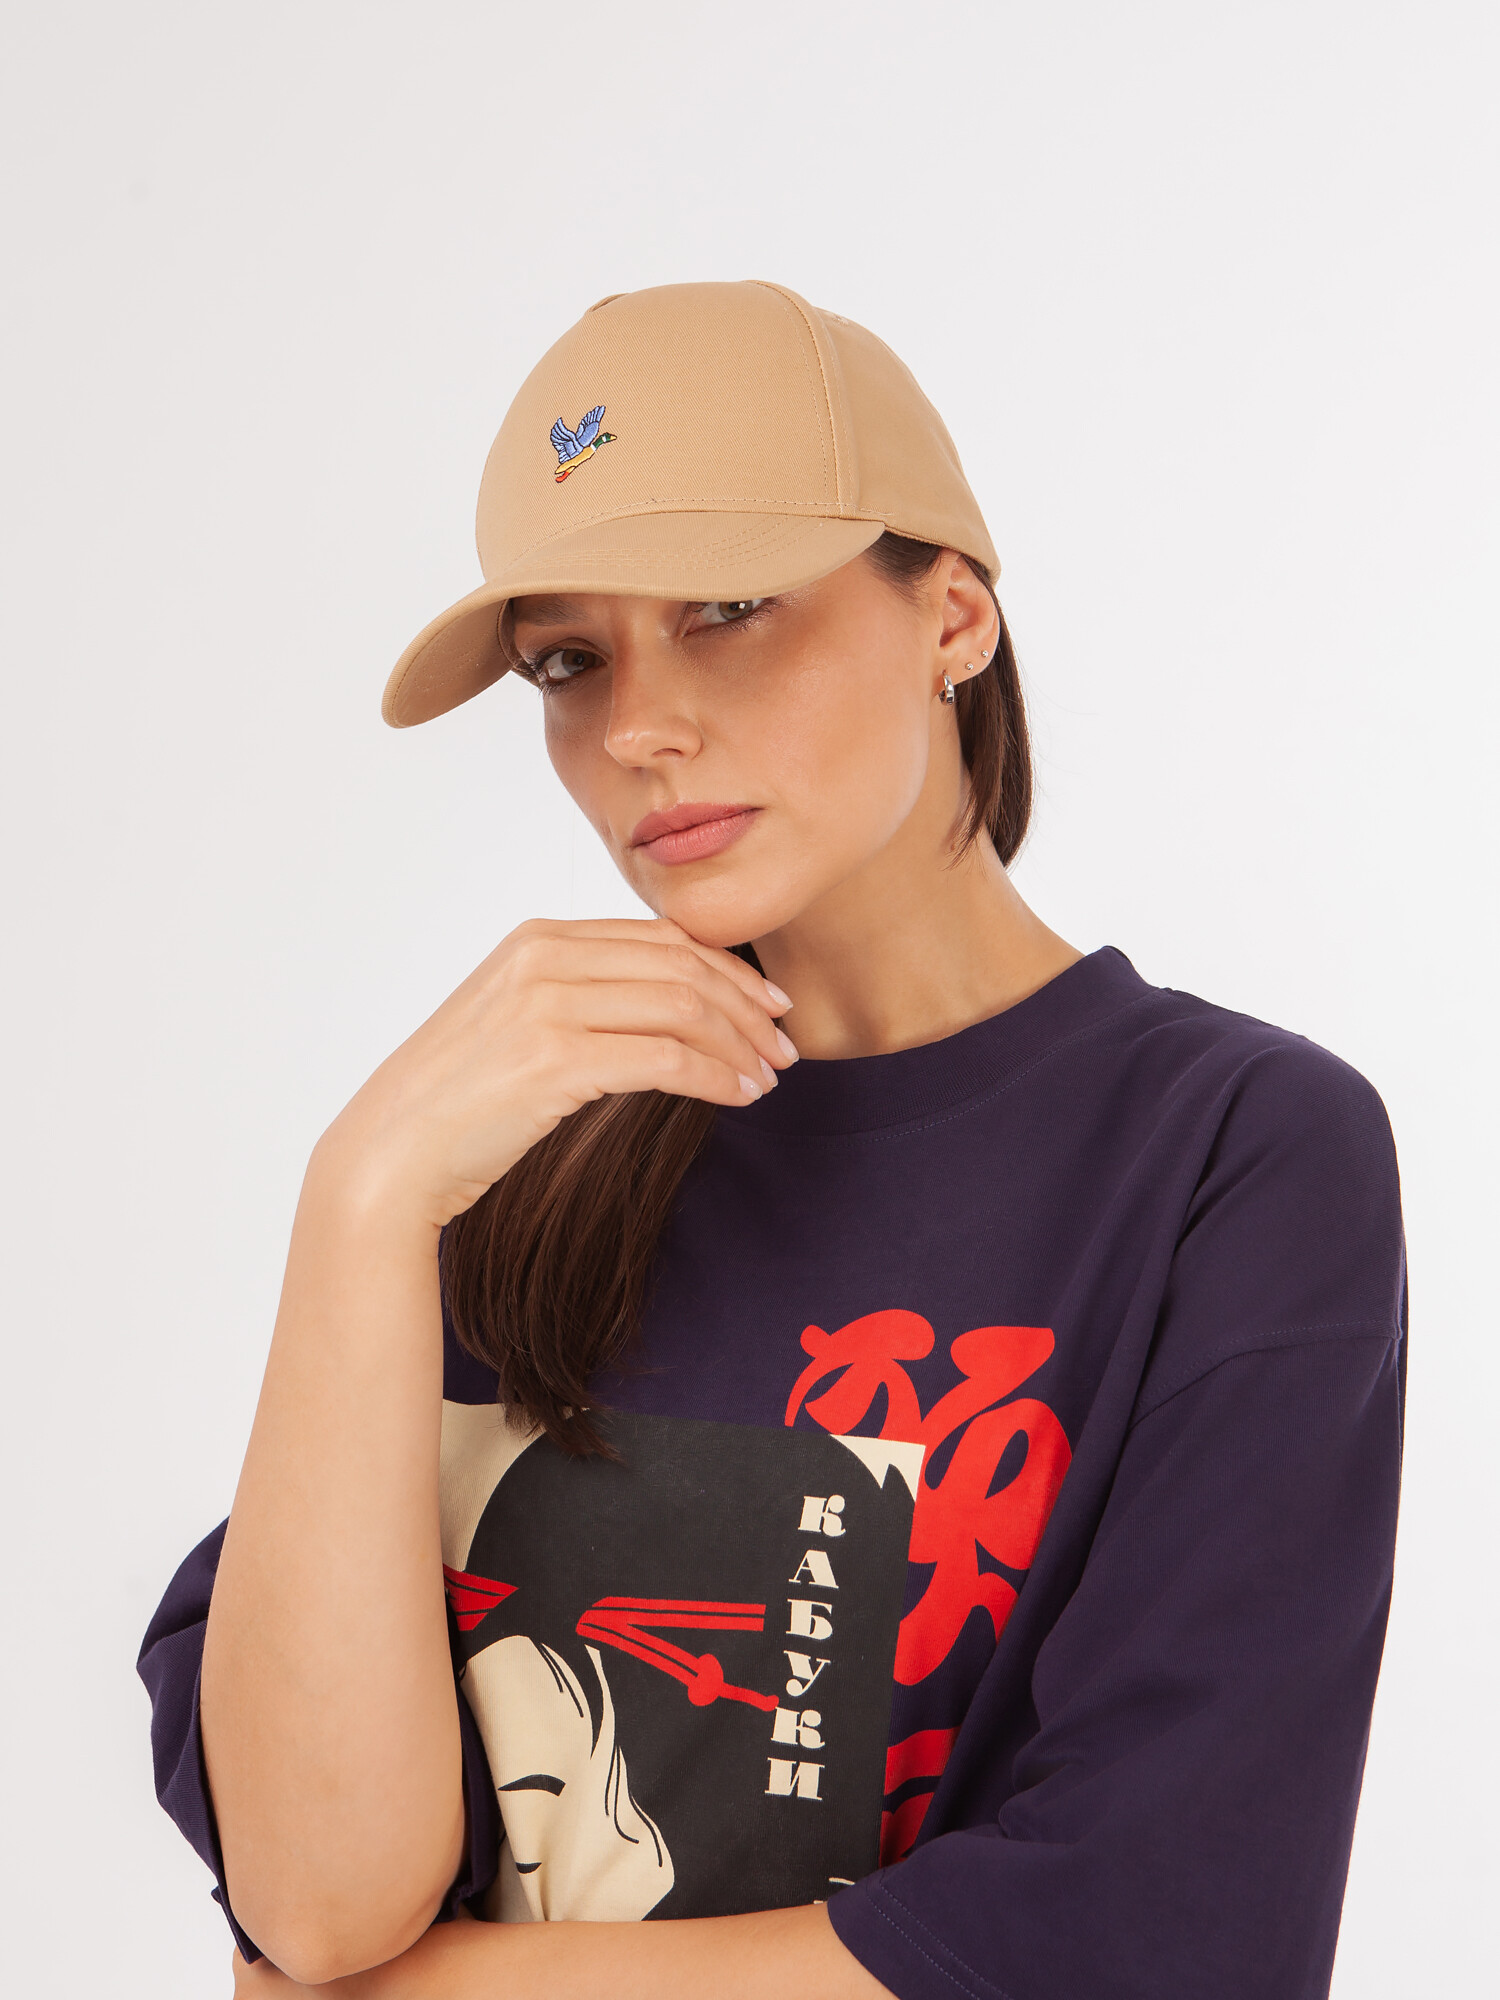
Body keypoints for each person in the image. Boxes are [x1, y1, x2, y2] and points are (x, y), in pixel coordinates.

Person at [138, 280, 1406, 2000]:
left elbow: (1156, 1933)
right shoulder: (498, 1162)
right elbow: (316, 1898)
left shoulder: (1227, 1155)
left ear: (953, 615)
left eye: (727, 609)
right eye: (570, 661)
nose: (636, 727)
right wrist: (357, 1202)